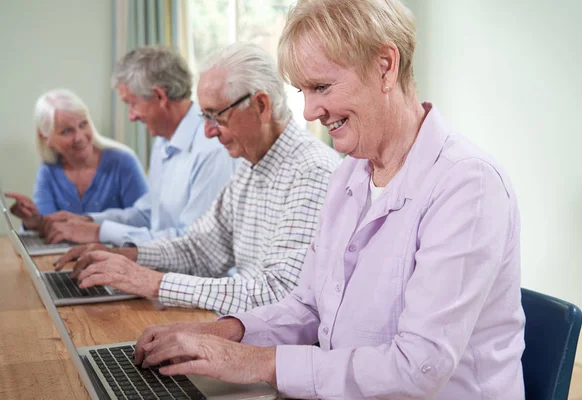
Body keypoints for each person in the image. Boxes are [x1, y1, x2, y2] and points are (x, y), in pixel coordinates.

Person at [130, 1, 527, 399]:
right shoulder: (350, 175)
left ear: (385, 66)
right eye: (303, 91)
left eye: (321, 87)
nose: (309, 110)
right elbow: (308, 306)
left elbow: (417, 368)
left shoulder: (467, 185)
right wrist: (221, 332)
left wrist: (257, 362)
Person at [55, 43, 341, 316]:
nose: (208, 132)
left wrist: (153, 283)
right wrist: (127, 257)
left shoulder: (312, 172)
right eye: (204, 117)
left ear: (261, 106)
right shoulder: (250, 165)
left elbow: (278, 293)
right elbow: (201, 249)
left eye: (216, 117)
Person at [40, 46, 238, 246]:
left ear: (160, 97)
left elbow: (195, 243)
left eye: (132, 104)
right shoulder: (163, 141)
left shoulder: (210, 149)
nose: (131, 117)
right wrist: (88, 221)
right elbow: (148, 214)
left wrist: (100, 232)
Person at [6, 89, 147, 239]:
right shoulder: (48, 171)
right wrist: (33, 221)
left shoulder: (123, 162)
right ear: (46, 137)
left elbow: (146, 220)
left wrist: (87, 224)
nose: (79, 137)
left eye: (83, 124)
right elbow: (48, 229)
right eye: (67, 131)